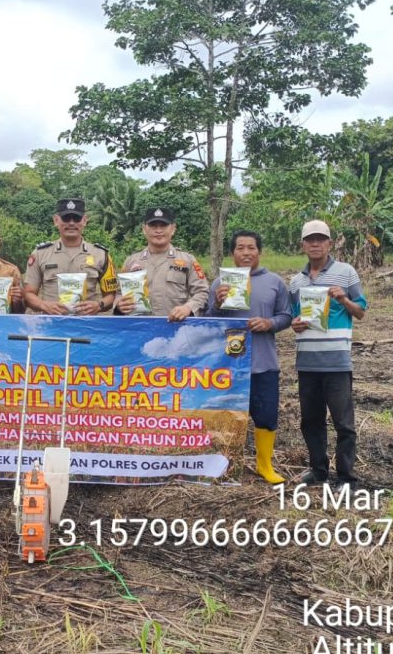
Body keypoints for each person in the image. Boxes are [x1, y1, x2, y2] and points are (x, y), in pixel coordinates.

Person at [207, 230, 293, 484]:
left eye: (251, 248)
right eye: (240, 248)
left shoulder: (275, 282)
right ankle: (224, 465)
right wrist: (218, 304)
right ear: (232, 253)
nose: (246, 253)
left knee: (266, 416)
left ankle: (264, 466)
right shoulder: (219, 284)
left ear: (259, 252)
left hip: (263, 363)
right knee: (226, 418)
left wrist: (269, 323)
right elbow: (208, 322)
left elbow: (286, 316)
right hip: (229, 365)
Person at [288, 220, 368, 486]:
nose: (315, 244)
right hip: (308, 363)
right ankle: (318, 469)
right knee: (311, 420)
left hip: (336, 361)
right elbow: (293, 318)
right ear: (303, 245)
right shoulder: (296, 282)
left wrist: (344, 299)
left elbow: (361, 311)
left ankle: (346, 475)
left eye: (320, 239)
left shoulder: (346, 273)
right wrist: (295, 324)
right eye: (310, 239)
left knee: (344, 423)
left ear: (329, 243)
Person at [23, 198, 117, 315]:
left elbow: (111, 295)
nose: (71, 223)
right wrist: (45, 305)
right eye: (66, 218)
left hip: (87, 327)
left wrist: (98, 305)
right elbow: (28, 294)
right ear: (56, 220)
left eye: (76, 218)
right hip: (51, 326)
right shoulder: (40, 254)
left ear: (84, 220)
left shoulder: (101, 254)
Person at [115, 207, 209, 321]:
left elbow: (202, 292)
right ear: (144, 229)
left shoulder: (188, 260)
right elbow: (118, 293)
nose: (158, 230)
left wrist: (188, 308)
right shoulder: (131, 262)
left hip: (176, 328)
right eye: (153, 225)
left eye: (163, 225)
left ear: (173, 229)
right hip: (138, 328)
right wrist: (119, 305)